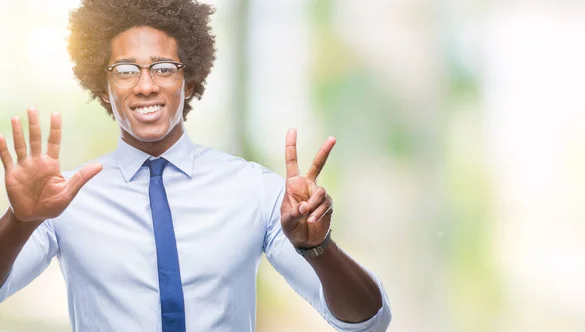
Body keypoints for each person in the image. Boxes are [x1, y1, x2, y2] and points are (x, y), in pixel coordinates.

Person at [0, 0, 391, 331]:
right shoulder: (61, 200)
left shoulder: (254, 190)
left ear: (190, 79)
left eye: (164, 68)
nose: (146, 85)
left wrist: (319, 248)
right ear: (104, 87)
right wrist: (19, 221)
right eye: (125, 70)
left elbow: (370, 320)